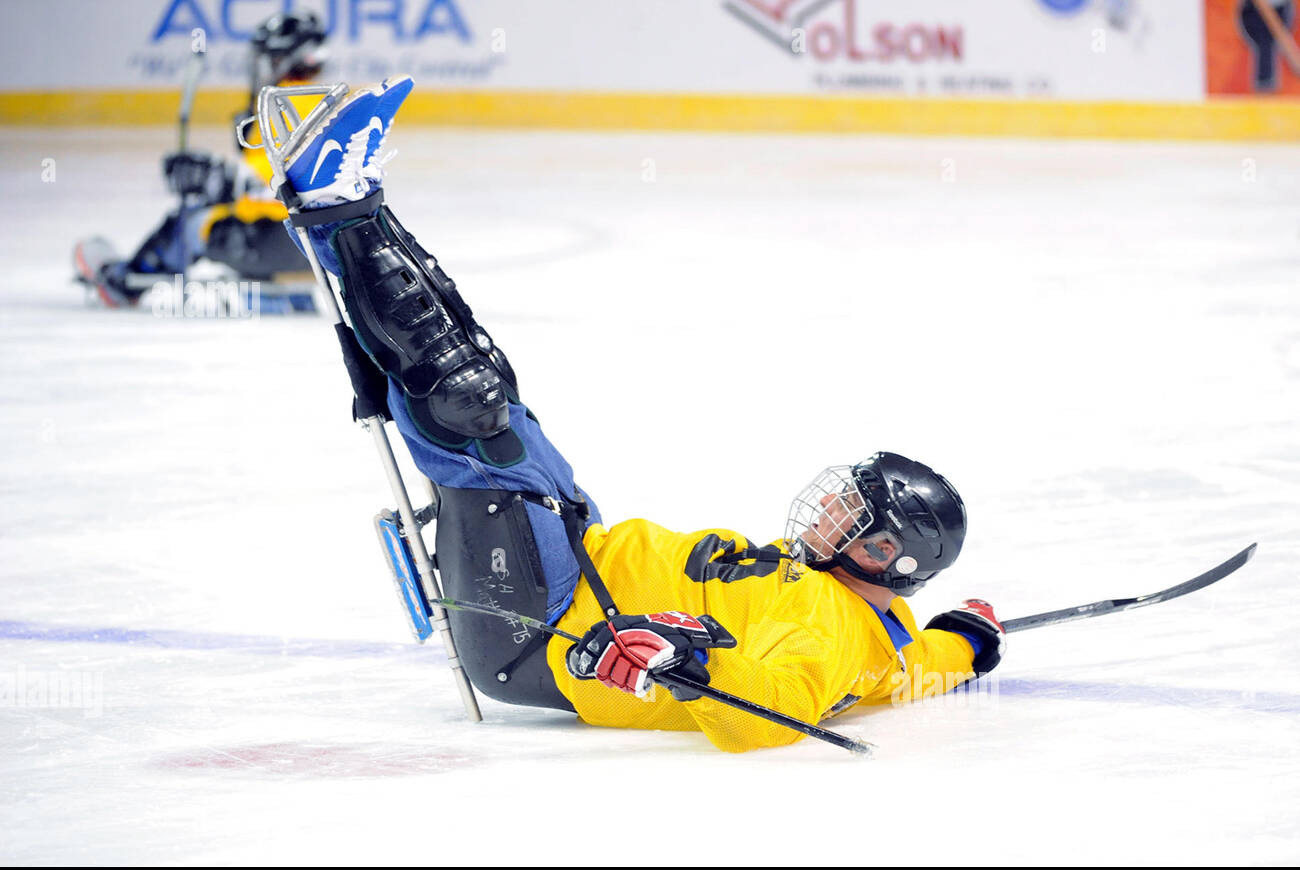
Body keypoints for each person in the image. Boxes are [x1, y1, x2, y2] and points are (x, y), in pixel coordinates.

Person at [272, 77, 1008, 753]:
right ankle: (355, 205)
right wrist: (970, 640)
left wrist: (687, 663)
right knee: (487, 379)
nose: (828, 508)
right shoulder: (888, 631)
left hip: (543, 628)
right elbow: (924, 663)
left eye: (851, 512)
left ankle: (336, 210)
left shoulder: (832, 632)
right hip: (580, 551)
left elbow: (781, 708)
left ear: (881, 554)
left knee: (471, 405)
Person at [74, 12, 328, 311]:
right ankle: (290, 294)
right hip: (323, 248)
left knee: (191, 222)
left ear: (283, 59)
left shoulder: (278, 102)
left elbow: (270, 184)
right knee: (240, 214)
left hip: (278, 242)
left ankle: (124, 283)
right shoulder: (327, 100)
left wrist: (210, 176)